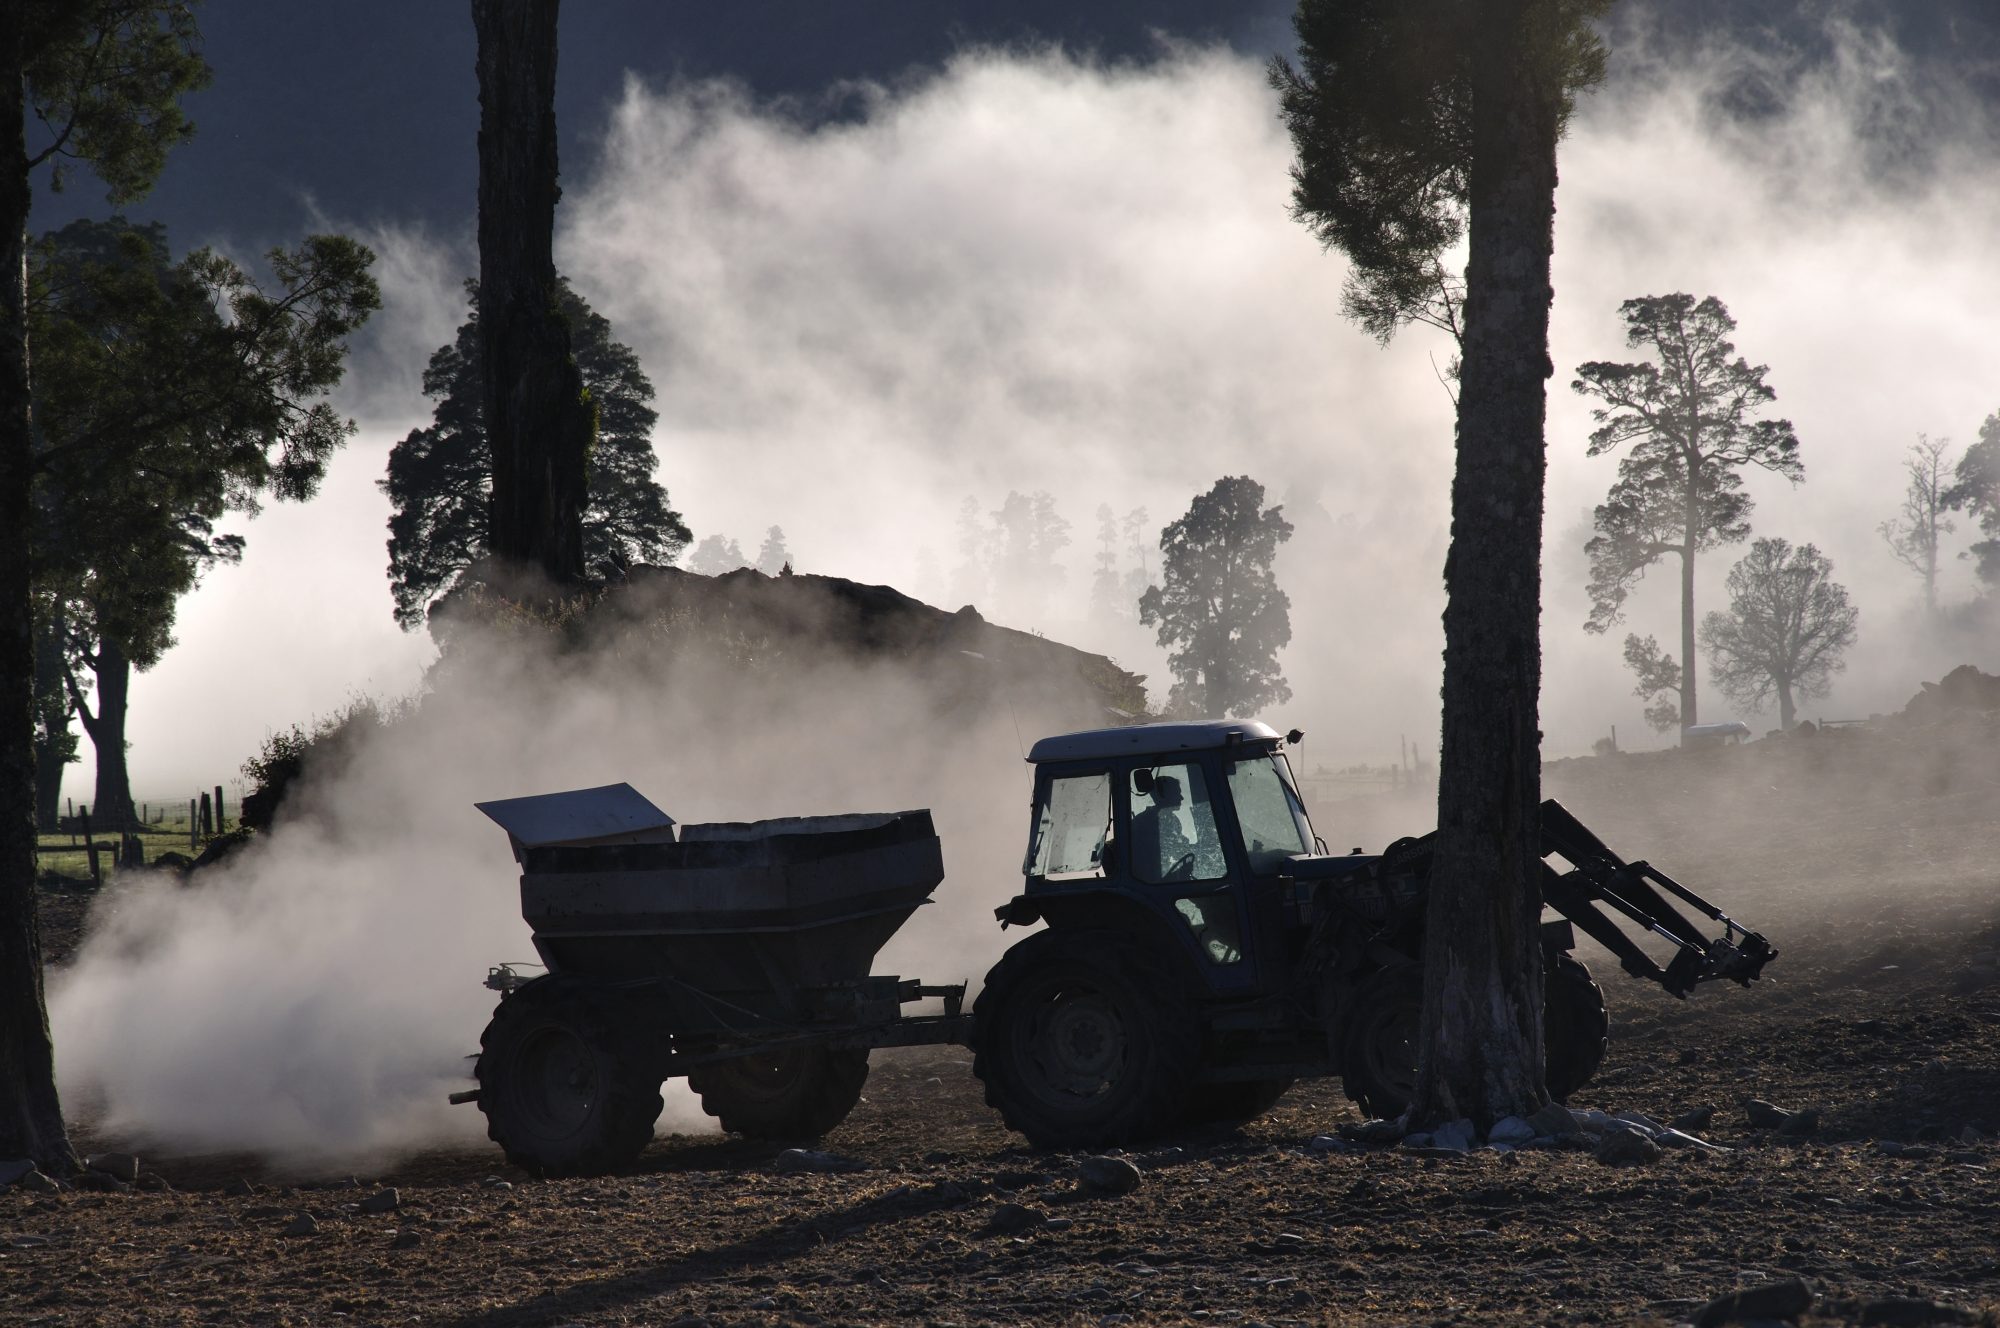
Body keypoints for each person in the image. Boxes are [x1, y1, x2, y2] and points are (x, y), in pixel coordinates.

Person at [1131, 774, 1195, 882]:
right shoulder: (1147, 822)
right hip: (1149, 881)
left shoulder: (1171, 820)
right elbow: (1148, 861)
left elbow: (1173, 849)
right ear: (1164, 795)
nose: (1181, 797)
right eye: (1177, 793)